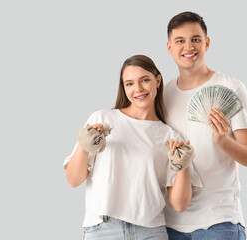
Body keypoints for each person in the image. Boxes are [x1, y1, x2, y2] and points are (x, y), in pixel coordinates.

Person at [63, 55, 202, 240]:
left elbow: (179, 205)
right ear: (123, 87)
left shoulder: (170, 137)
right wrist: (84, 145)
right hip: (103, 230)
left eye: (145, 80)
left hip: (150, 231)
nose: (138, 89)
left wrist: (182, 166)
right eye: (129, 84)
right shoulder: (102, 120)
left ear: (157, 80)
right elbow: (73, 180)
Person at [163, 12, 247, 240]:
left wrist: (224, 142)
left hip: (218, 223)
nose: (189, 46)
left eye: (195, 39)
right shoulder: (162, 95)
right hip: (169, 224)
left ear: (207, 43)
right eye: (180, 41)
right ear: (169, 47)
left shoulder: (231, 88)